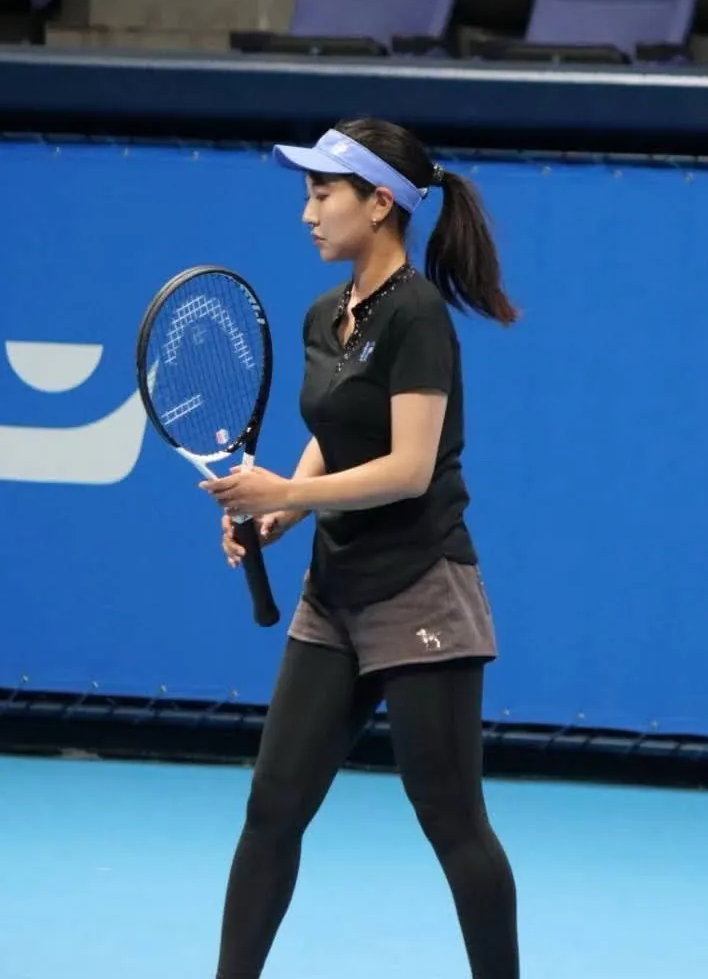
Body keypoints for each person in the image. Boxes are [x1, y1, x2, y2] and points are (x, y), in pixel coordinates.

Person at [196, 118, 521, 979]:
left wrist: (285, 494)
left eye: (322, 193)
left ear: (379, 203)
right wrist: (281, 515)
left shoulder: (417, 315)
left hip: (421, 589)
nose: (307, 213)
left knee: (452, 821)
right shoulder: (323, 315)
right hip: (334, 593)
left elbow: (409, 469)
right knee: (272, 808)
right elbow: (338, 430)